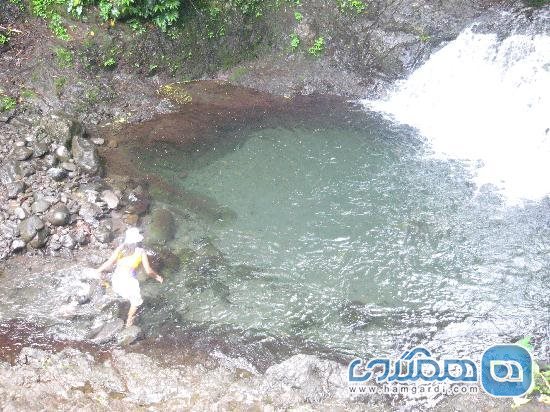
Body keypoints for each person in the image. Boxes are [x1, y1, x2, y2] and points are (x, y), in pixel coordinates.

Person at [95, 227, 163, 327]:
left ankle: (110, 291)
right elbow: (148, 271)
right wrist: (157, 277)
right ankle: (129, 320)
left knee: (121, 294)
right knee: (135, 302)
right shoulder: (141, 252)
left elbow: (110, 262)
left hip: (117, 279)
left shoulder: (120, 248)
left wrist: (98, 270)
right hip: (129, 282)